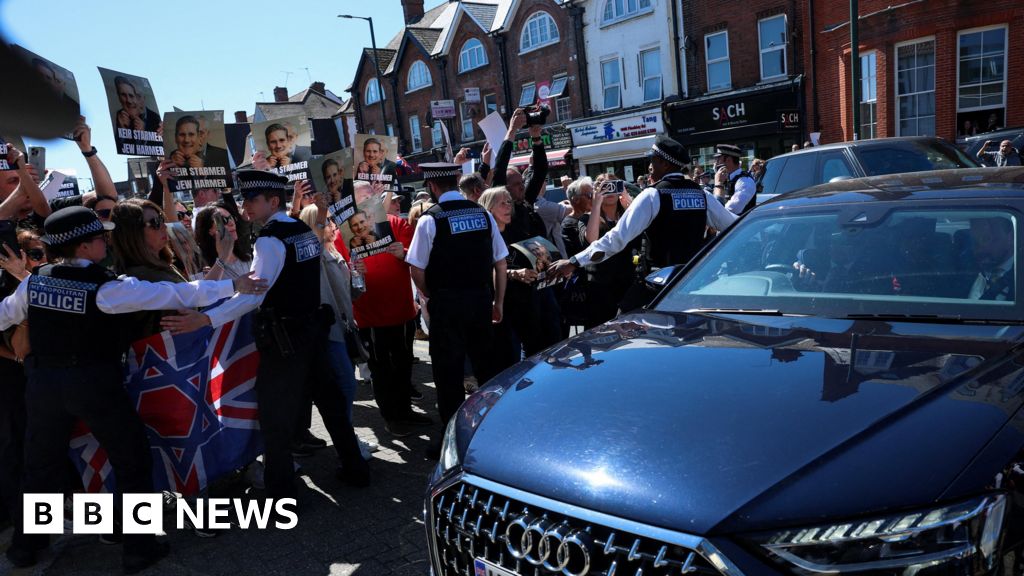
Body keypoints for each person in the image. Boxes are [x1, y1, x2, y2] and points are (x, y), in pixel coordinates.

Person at [0, 206, 266, 571]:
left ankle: (23, 549)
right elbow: (176, 295)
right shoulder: (107, 289)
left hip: (44, 386)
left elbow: (4, 315)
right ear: (85, 246)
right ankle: (139, 548)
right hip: (94, 384)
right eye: (100, 238)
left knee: (38, 466)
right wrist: (233, 284)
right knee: (131, 460)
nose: (105, 243)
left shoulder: (34, 281)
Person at [166, 169, 370, 501]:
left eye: (252, 199)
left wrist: (206, 321)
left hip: (286, 340)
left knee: (275, 420)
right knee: (331, 406)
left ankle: (281, 493)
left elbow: (253, 294)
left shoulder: (271, 238)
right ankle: (355, 469)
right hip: (309, 332)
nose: (245, 206)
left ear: (272, 201)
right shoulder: (300, 229)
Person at [549, 135, 737, 308]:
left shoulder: (653, 195)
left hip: (660, 287)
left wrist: (574, 261)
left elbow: (616, 238)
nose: (649, 167)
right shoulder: (702, 194)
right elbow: (735, 228)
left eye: (652, 161)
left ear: (664, 164)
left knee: (625, 326)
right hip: (694, 285)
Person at [406, 163, 507, 458]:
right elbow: (500, 263)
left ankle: (450, 438)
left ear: (433, 187)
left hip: (447, 306)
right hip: (480, 303)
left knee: (447, 375)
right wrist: (498, 302)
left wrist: (430, 294)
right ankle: (492, 430)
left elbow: (416, 267)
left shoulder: (430, 220)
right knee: (486, 370)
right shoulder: (482, 213)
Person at [968, 217, 1014, 301]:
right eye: (974, 241)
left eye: (986, 239)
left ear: (1010, 238)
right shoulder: (966, 270)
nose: (978, 249)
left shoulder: (1019, 276)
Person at [711, 144, 757, 215]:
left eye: (719, 159)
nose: (716, 163)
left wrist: (719, 184)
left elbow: (730, 210)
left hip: (742, 225)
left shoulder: (745, 181)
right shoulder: (726, 178)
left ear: (729, 160)